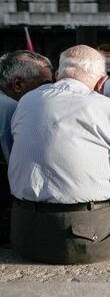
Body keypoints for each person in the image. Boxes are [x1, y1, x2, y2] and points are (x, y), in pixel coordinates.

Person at [9, 45, 110, 264]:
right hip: (86, 235)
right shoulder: (108, 108)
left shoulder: (26, 102)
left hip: (25, 233)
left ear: (58, 74)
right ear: (101, 82)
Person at [0, 51, 53, 242]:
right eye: (45, 85)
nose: (51, 90)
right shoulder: (12, 108)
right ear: (18, 84)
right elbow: (16, 163)